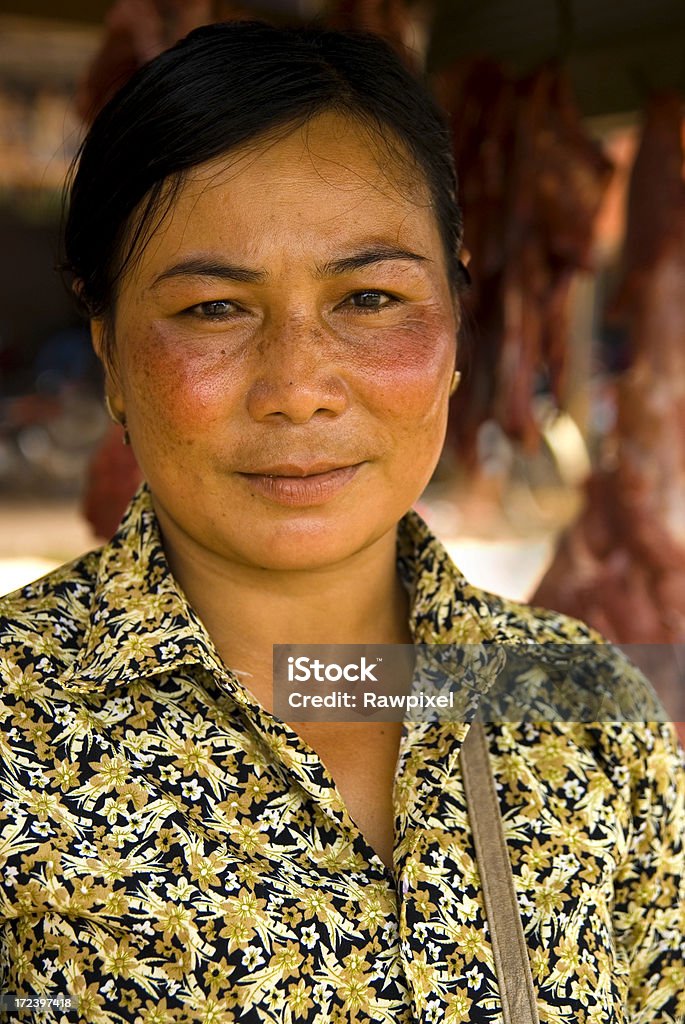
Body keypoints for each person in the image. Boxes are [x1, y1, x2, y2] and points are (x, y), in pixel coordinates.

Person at [0, 20, 683, 1024]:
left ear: (454, 321)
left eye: (368, 297)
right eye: (212, 310)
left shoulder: (575, 700)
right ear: (106, 348)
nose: (297, 389)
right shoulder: (20, 720)